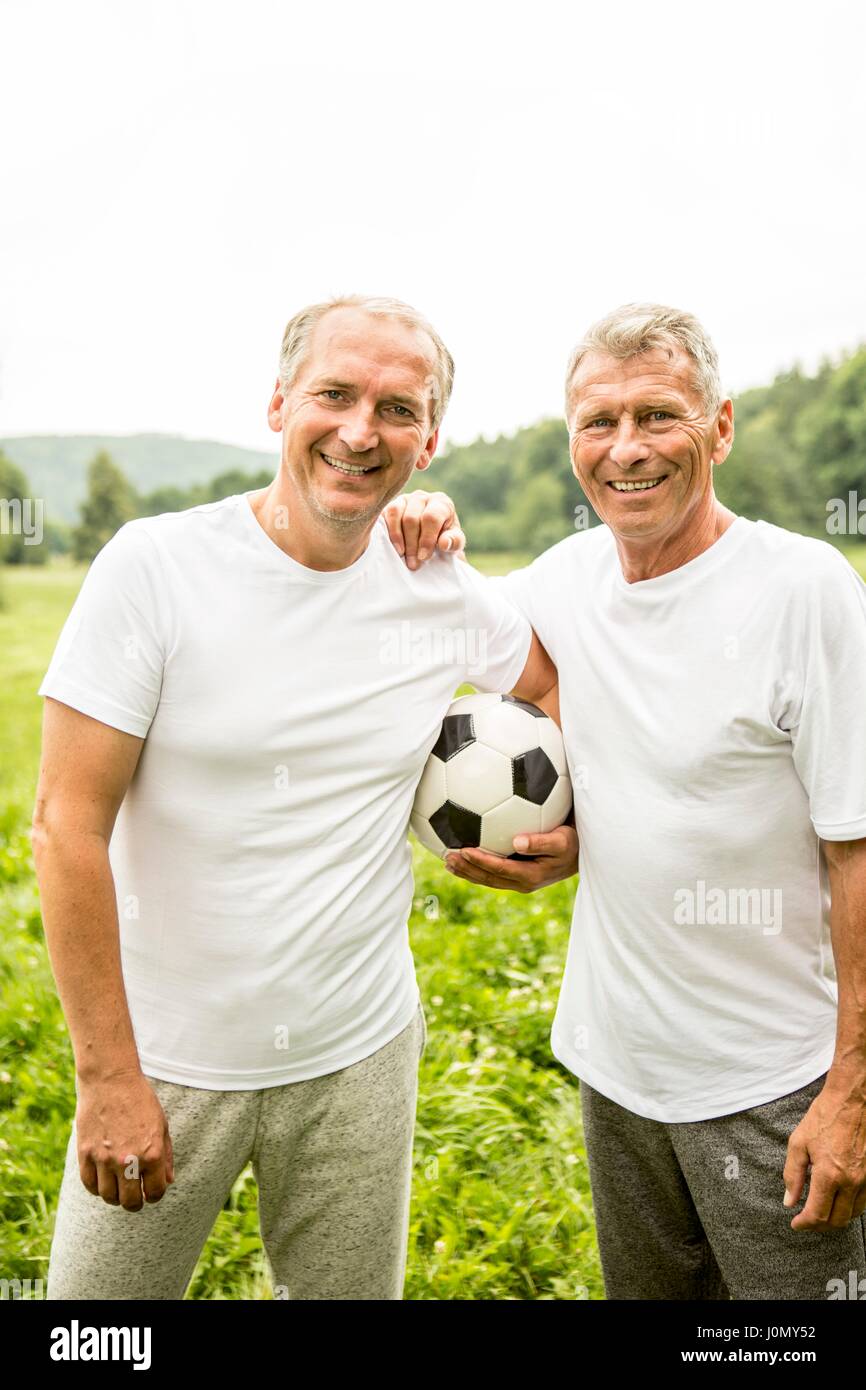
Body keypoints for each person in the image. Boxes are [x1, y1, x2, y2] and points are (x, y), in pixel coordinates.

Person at [32, 294, 558, 1301]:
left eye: (397, 409)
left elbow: (547, 688)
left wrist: (562, 840)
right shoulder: (156, 569)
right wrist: (106, 1078)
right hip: (166, 1057)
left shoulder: (436, 588)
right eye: (334, 393)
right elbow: (66, 828)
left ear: (430, 439)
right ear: (278, 403)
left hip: (358, 1048)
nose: (361, 431)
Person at [383, 302, 866, 1300]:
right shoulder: (561, 583)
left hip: (774, 1085)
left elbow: (854, 850)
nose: (625, 448)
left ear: (719, 427)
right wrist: (425, 524)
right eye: (597, 422)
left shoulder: (802, 590)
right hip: (615, 1073)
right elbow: (461, 633)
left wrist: (851, 1091)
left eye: (657, 415)